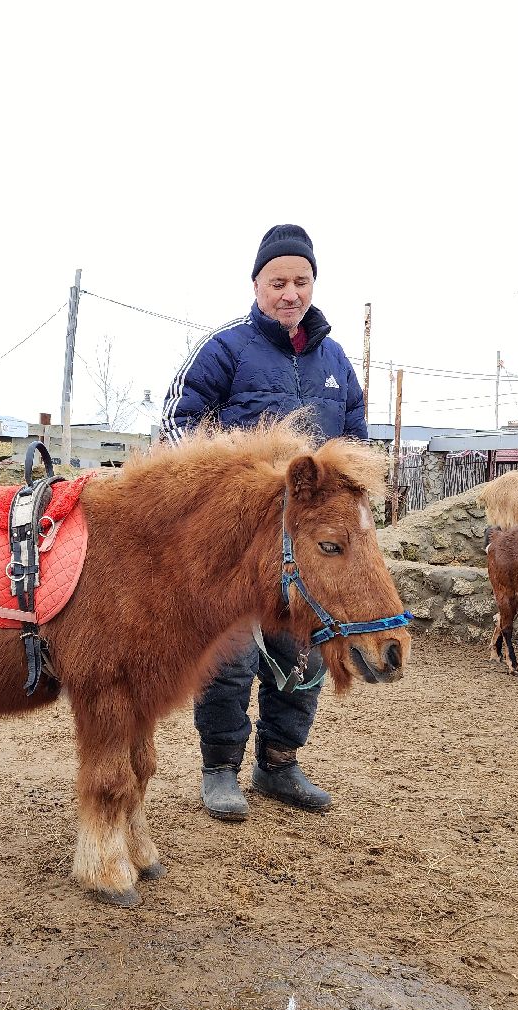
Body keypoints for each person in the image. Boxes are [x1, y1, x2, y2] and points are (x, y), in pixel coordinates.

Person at [160, 224, 368, 822]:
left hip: (304, 542)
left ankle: (279, 763)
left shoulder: (334, 360)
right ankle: (220, 767)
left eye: (300, 281)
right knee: (231, 655)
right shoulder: (224, 349)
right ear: (256, 284)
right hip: (237, 540)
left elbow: (355, 441)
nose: (289, 293)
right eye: (277, 281)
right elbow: (180, 424)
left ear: (313, 285)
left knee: (303, 647)